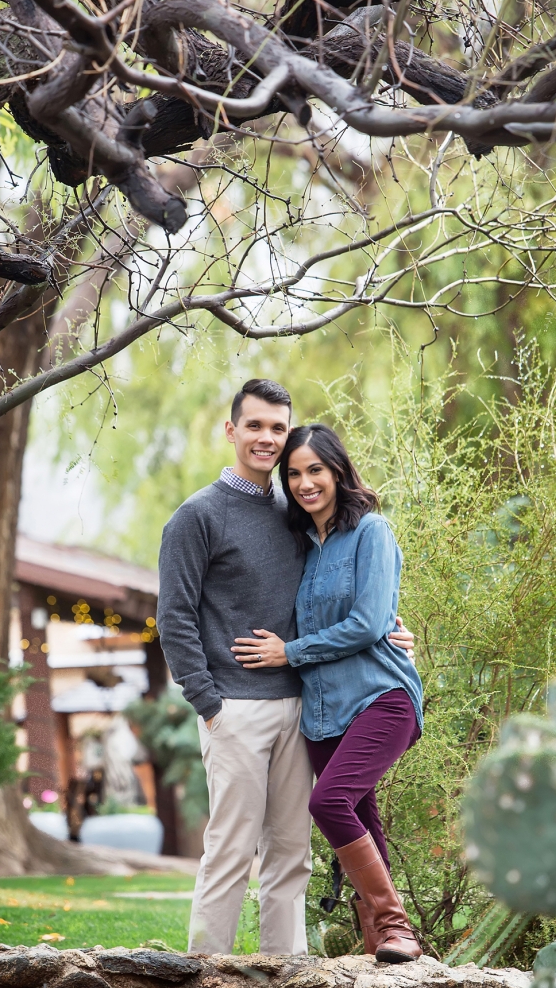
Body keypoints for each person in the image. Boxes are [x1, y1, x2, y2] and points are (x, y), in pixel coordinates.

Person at [157, 381, 414, 956]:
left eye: (278, 427)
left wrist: (391, 629)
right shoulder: (196, 517)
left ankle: (287, 975)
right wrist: (208, 703)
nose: (267, 439)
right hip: (234, 708)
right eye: (255, 426)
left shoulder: (296, 514)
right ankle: (205, 975)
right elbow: (173, 619)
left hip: (302, 706)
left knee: (291, 851)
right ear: (232, 430)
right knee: (230, 848)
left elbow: (339, 592)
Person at [231, 423, 424, 962]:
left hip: (381, 698)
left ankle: (394, 924)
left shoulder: (372, 532)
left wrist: (288, 652)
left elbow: (367, 624)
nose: (304, 482)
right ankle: (387, 945)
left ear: (338, 470)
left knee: (330, 801)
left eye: (315, 469)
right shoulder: (301, 549)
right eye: (293, 473)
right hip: (322, 715)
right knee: (362, 814)